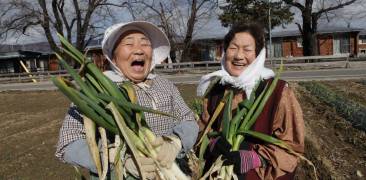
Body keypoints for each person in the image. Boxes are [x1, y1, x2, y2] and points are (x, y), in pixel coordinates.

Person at [55, 21, 199, 179]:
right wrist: (118, 160)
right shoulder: (94, 91)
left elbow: (188, 119)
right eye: (129, 43)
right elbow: (68, 144)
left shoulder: (165, 85)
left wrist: (176, 142)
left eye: (145, 44)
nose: (139, 50)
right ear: (113, 57)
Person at [196, 23, 304, 179]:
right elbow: (202, 131)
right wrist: (212, 143)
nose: (239, 56)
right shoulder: (217, 90)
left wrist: (255, 158)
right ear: (225, 52)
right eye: (233, 48)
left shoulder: (277, 92)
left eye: (247, 49)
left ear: (258, 55)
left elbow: (292, 147)